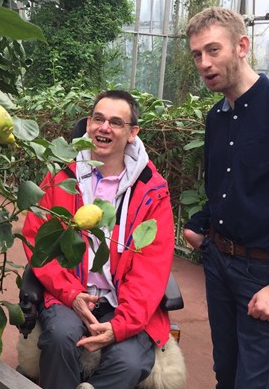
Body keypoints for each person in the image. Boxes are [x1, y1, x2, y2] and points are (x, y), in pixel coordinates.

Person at [183, 6, 269, 389]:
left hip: (266, 273)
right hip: (220, 263)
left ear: (241, 46)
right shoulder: (217, 118)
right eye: (196, 55)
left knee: (252, 383)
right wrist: (201, 224)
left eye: (213, 50)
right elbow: (225, 187)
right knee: (225, 372)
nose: (204, 63)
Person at [21, 90, 176, 389]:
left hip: (123, 302)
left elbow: (152, 266)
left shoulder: (152, 190)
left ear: (132, 133)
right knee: (60, 337)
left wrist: (120, 326)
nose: (104, 127)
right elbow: (38, 239)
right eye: (98, 119)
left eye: (116, 123)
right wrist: (69, 294)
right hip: (71, 293)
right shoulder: (60, 177)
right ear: (88, 124)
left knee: (129, 362)